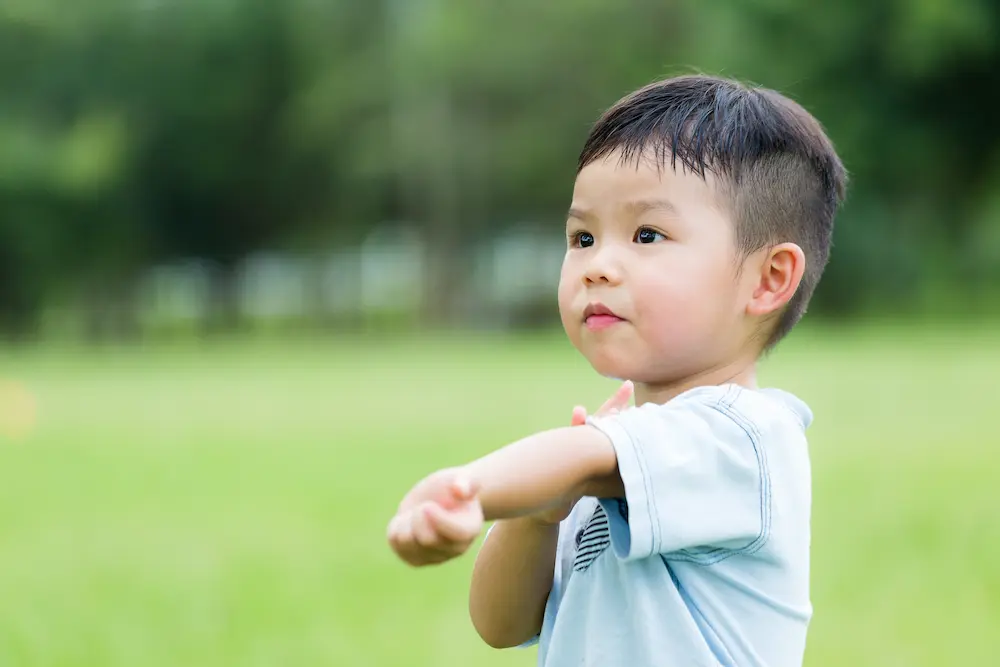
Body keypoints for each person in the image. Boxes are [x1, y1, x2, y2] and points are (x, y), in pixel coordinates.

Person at [386, 73, 847, 667]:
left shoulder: (746, 438)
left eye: (646, 234)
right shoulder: (616, 455)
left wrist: (464, 488)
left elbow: (577, 458)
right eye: (581, 237)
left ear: (768, 279)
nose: (597, 266)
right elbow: (501, 625)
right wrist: (540, 516)